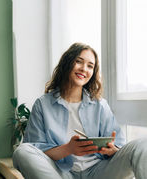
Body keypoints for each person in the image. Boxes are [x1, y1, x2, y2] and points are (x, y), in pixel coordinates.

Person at [13, 42, 147, 179]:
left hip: (99, 172)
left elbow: (119, 145)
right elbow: (36, 150)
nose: (84, 69)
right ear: (67, 63)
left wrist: (113, 150)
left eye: (90, 66)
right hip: (60, 173)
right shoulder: (43, 104)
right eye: (79, 62)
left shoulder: (100, 105)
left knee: (143, 145)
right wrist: (68, 149)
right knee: (22, 151)